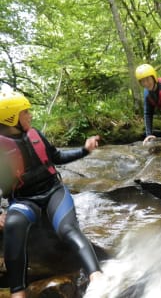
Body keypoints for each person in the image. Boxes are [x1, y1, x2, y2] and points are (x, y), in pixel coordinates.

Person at [0, 91, 102, 298]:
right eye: (25, 112)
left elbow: (56, 156)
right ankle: (18, 291)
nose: (30, 115)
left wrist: (84, 150)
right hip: (24, 200)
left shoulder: (35, 134)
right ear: (11, 118)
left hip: (53, 191)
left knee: (67, 229)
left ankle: (96, 274)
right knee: (13, 225)